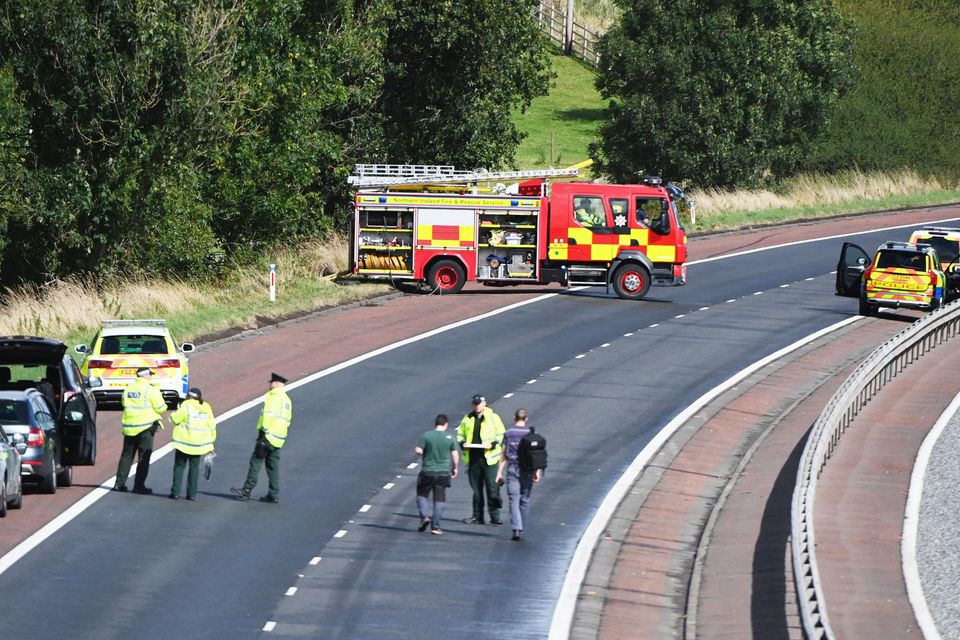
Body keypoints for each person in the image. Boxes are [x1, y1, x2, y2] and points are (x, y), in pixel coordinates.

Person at [231, 372, 292, 503]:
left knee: (256, 462)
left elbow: (268, 416)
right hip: (279, 438)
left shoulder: (273, 397)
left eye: (271, 383)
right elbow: (287, 420)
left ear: (276, 384)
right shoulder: (287, 399)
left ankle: (246, 490)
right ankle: (273, 493)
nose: (269, 385)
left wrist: (264, 433)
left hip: (267, 436)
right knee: (273, 466)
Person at [115, 367, 167, 494]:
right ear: (145, 375)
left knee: (126, 456)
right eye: (150, 374)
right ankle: (138, 485)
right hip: (146, 427)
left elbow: (123, 402)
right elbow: (161, 408)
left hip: (129, 427)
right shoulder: (151, 389)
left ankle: (119, 484)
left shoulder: (128, 388)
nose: (151, 377)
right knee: (144, 457)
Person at [496, 408, 544, 541]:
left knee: (513, 498)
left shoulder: (509, 433)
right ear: (526, 418)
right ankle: (521, 526)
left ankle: (516, 528)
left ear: (514, 417)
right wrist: (537, 471)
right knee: (525, 499)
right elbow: (536, 455)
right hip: (528, 469)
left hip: (513, 468)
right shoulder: (531, 433)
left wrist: (499, 472)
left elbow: (503, 454)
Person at [457, 394, 506, 525]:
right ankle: (477, 516)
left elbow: (501, 434)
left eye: (479, 403)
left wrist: (494, 444)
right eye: (475, 403)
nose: (476, 406)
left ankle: (495, 516)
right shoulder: (467, 418)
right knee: (476, 489)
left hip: (489, 458)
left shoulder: (493, 417)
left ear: (484, 403)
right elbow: (460, 434)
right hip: (473, 457)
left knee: (492, 487)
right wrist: (462, 443)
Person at [168, 387, 217, 501]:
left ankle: (175, 492)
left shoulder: (186, 405)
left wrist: (171, 415)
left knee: (179, 467)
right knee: (194, 468)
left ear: (189, 396)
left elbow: (176, 419)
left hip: (183, 443)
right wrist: (211, 445)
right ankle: (191, 494)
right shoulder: (206, 407)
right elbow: (212, 426)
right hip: (198, 445)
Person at [414, 414, 459, 536]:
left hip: (428, 471)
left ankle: (424, 516)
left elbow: (418, 450)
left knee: (422, 494)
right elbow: (455, 455)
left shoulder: (427, 435)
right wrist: (454, 468)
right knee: (439, 499)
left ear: (435, 424)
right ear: (446, 424)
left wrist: (424, 453)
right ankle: (436, 526)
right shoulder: (449, 437)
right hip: (443, 473)